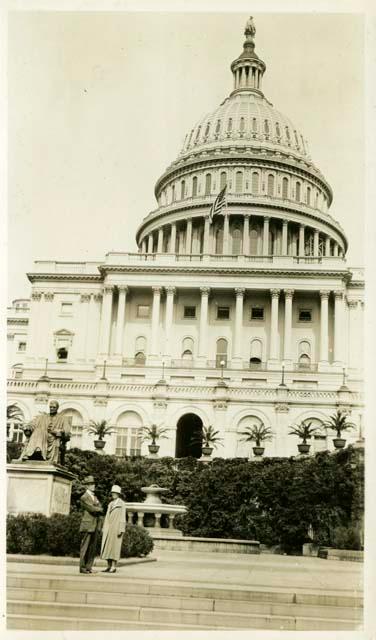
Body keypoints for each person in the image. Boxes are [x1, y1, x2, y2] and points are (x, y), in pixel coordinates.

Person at [21, 400, 71, 464]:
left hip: (52, 438)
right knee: (39, 430)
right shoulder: (42, 417)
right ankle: (37, 451)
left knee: (40, 431)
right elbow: (32, 424)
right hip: (40, 436)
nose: (52, 409)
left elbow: (67, 433)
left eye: (54, 407)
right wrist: (28, 427)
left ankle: (35, 452)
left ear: (57, 408)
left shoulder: (63, 419)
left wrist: (57, 432)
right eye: (50, 407)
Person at [79, 475, 103, 574]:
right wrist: (99, 509)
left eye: (93, 484)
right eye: (91, 484)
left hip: (95, 524)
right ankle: (83, 568)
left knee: (92, 548)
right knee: (85, 547)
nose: (93, 486)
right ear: (87, 486)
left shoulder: (94, 497)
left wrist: (98, 508)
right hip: (88, 525)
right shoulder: (84, 497)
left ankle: (89, 567)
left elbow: (99, 507)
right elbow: (92, 509)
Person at [101, 484, 127, 573]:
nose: (113, 494)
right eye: (112, 493)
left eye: (115, 493)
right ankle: (108, 566)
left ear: (118, 494)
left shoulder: (122, 504)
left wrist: (121, 529)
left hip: (116, 528)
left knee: (115, 547)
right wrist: (104, 527)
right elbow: (107, 516)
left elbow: (123, 517)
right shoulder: (110, 504)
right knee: (107, 547)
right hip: (109, 528)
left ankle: (113, 566)